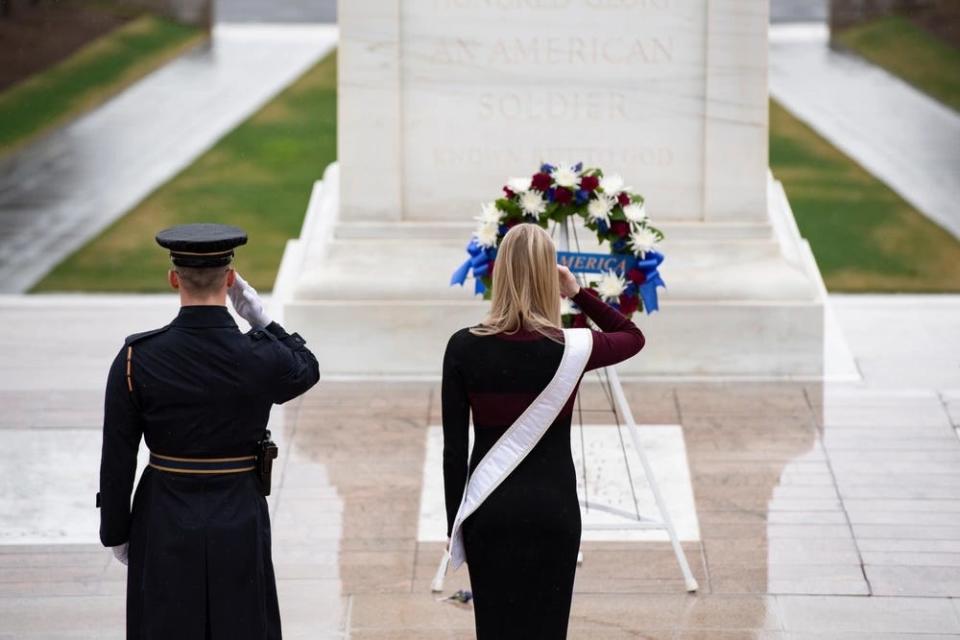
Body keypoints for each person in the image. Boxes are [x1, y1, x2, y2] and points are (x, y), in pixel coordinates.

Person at [97, 223, 320, 639]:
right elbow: (306, 369)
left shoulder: (136, 359)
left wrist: (115, 530)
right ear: (232, 279)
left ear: (173, 277)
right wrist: (262, 319)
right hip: (238, 510)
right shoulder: (262, 354)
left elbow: (117, 455)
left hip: (163, 512)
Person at [441, 223, 646, 639]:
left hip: (489, 512)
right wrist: (576, 291)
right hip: (553, 511)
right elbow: (632, 336)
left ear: (498, 275)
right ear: (547, 277)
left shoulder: (462, 346)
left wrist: (456, 528)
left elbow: (453, 451)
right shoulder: (574, 345)